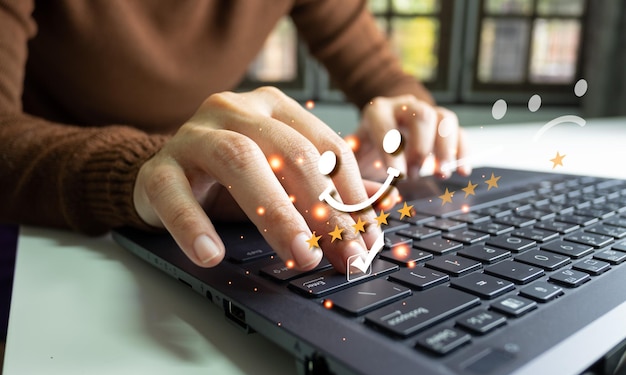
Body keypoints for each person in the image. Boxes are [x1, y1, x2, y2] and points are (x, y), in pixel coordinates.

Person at [0, 0, 470, 277]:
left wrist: (405, 113)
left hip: (218, 199)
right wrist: (140, 169)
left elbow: (380, 74)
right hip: (46, 218)